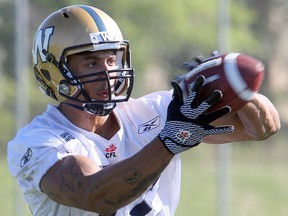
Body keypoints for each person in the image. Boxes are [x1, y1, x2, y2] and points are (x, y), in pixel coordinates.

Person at [7, 4, 280, 216]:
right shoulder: (37, 142)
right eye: (91, 63)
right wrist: (170, 142)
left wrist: (233, 86)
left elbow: (263, 128)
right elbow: (96, 195)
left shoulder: (156, 111)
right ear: (53, 72)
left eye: (112, 59)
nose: (108, 74)